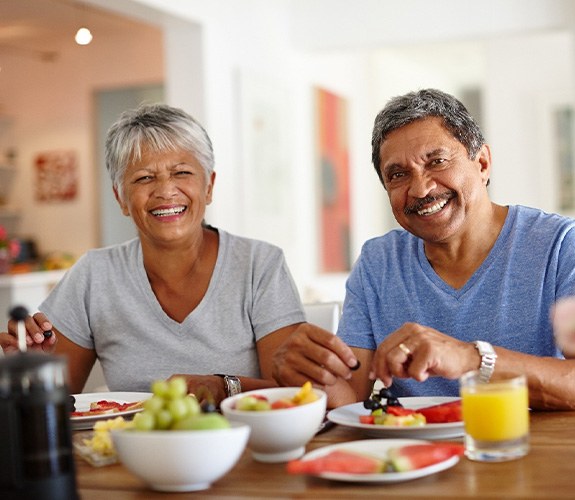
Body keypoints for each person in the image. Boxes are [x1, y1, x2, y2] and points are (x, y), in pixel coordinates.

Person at [272, 88, 575, 410]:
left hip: (525, 447)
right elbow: (349, 399)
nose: (420, 189)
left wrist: (471, 359)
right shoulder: (379, 262)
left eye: (437, 162)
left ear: (483, 163)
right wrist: (308, 374)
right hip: (413, 454)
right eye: (398, 175)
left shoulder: (560, 245)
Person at [0, 103, 306, 405]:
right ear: (120, 197)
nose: (166, 190)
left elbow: (295, 394)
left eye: (182, 172)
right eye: (144, 177)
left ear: (209, 186)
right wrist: (33, 370)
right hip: (130, 450)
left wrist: (223, 387)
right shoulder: (94, 275)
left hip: (243, 448)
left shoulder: (260, 265)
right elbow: (56, 403)